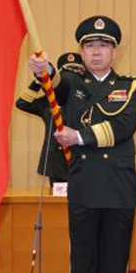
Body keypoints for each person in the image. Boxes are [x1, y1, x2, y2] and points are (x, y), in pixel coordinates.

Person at [29, 18, 136, 273]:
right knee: (82, 271)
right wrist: (45, 69)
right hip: (84, 188)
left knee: (113, 272)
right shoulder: (72, 85)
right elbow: (56, 84)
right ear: (81, 51)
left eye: (103, 46)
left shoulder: (131, 87)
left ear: (115, 52)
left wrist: (79, 137)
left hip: (118, 192)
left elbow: (124, 127)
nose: (96, 52)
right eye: (90, 46)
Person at [17, 52, 85, 183]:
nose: (72, 76)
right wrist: (39, 81)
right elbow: (22, 103)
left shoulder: (88, 97)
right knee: (56, 202)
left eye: (77, 71)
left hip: (81, 157)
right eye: (67, 72)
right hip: (56, 161)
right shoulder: (49, 101)